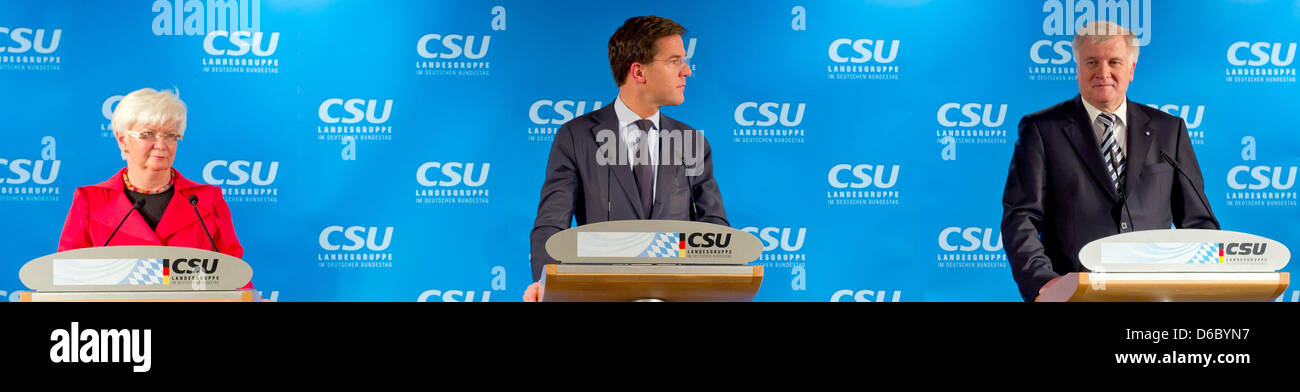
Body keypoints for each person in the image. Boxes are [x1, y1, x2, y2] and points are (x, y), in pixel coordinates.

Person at [1001, 21, 1219, 301]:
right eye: (1091, 62)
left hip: (1155, 295)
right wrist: (1044, 283)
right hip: (1076, 296)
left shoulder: (1169, 131)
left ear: (1131, 69)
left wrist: (1206, 279)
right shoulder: (1041, 130)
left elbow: (1198, 223)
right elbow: (1020, 218)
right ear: (1077, 69)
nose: (1103, 73)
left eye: (1114, 61)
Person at [525, 16, 728, 301]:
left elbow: (713, 228)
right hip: (601, 294)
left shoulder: (691, 141)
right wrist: (546, 281)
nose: (687, 71)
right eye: (674, 61)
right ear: (638, 72)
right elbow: (552, 223)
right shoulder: (577, 136)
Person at [58, 88, 252, 290]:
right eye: (148, 134)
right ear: (123, 140)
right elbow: (68, 277)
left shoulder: (206, 199)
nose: (161, 145)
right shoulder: (90, 201)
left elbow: (234, 273)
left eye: (170, 135)